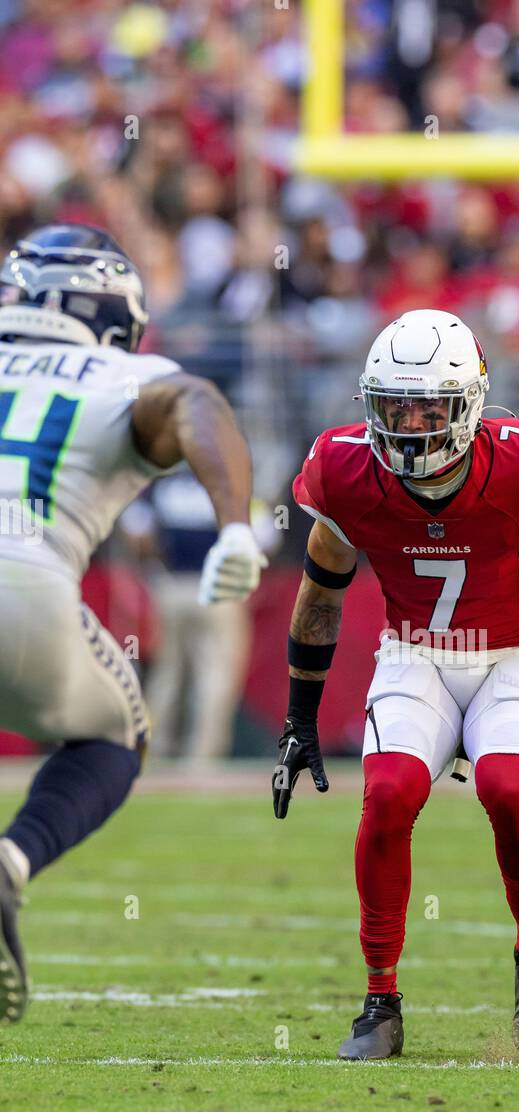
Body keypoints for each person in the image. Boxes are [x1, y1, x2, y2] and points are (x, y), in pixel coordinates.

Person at [273, 309, 519, 1060]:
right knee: (387, 795)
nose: (408, 425)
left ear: (468, 404)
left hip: (511, 656)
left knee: (507, 789)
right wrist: (298, 719)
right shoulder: (343, 469)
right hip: (415, 655)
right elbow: (319, 596)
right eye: (393, 406)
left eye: (427, 407)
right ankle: (380, 1001)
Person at [0, 224, 266, 1025]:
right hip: (26, 578)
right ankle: (12, 860)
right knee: (119, 734)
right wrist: (236, 525)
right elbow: (195, 401)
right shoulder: (122, 374)